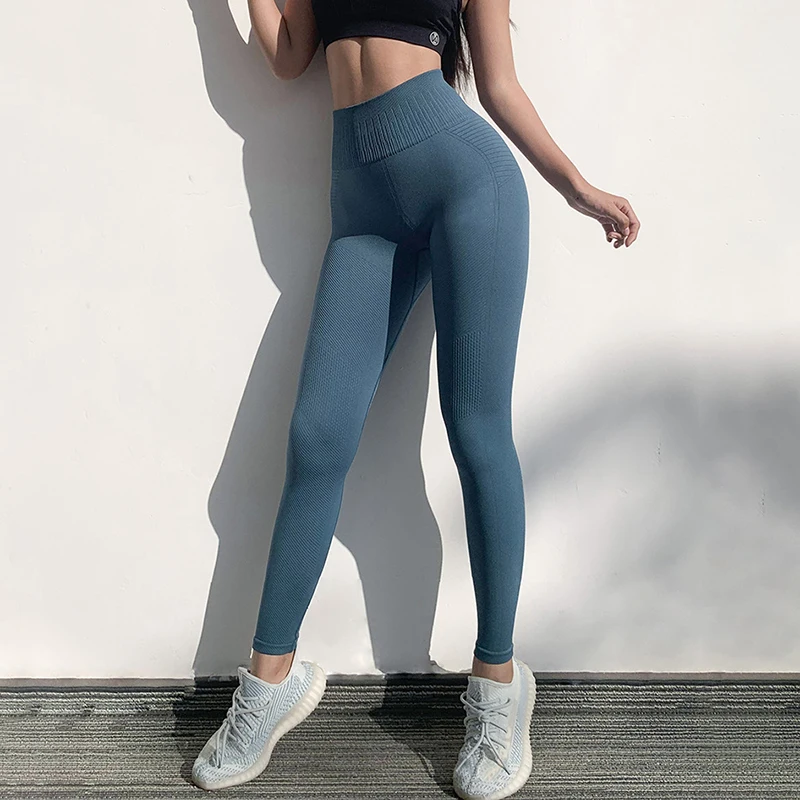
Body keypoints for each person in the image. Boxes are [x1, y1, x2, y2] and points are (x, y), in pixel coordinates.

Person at [191, 0, 641, 796]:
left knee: (476, 431)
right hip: (360, 208)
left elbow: (499, 86)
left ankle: (498, 684)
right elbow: (289, 55)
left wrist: (576, 186)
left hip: (466, 183)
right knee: (317, 440)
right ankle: (269, 683)